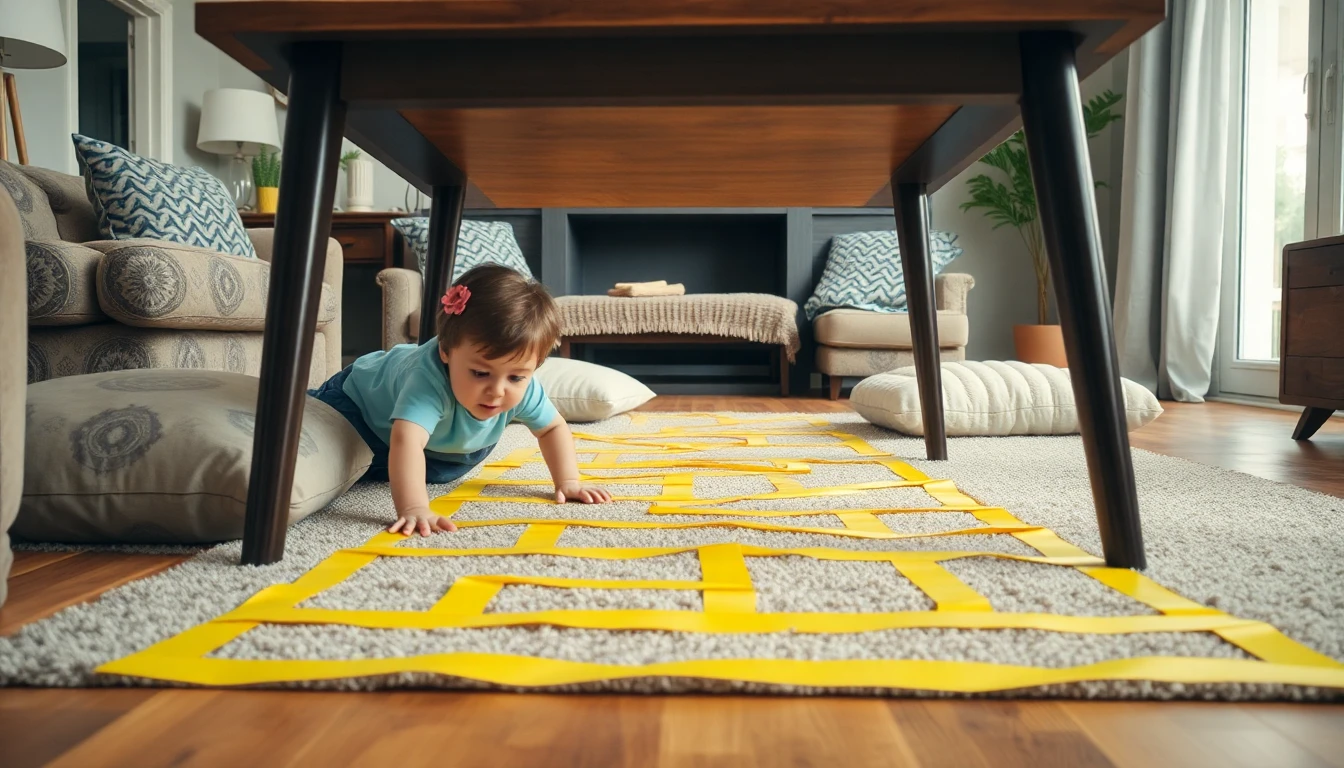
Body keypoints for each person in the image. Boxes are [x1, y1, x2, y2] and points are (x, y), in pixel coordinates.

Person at [308, 264, 612, 536]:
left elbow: (552, 429)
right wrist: (414, 507)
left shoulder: (521, 386)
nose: (497, 390)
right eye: (480, 373)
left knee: (440, 470)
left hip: (442, 448)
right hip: (358, 406)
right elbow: (407, 442)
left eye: (516, 377)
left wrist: (569, 480)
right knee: (330, 445)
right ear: (446, 352)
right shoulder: (426, 381)